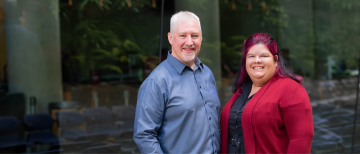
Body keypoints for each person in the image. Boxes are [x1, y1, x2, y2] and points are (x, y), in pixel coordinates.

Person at [133, 11, 221, 153]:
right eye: (182, 35)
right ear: (170, 38)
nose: (189, 42)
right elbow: (144, 135)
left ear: (201, 38)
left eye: (194, 36)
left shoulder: (207, 74)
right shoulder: (157, 82)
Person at [220, 33, 314, 153]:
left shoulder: (291, 90)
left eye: (264, 56)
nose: (257, 61)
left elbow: (301, 139)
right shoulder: (241, 91)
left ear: (275, 60)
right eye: (251, 56)